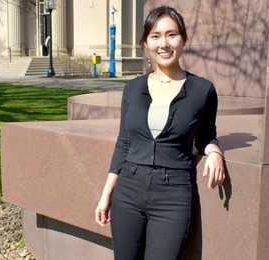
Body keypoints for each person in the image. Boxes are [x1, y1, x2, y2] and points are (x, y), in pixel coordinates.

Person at [95, 5, 225, 260]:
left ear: (183, 39)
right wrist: (106, 195)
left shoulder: (203, 89)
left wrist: (215, 152)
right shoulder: (132, 89)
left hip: (173, 194)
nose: (164, 44)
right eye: (155, 36)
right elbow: (124, 143)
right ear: (146, 43)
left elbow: (206, 134)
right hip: (128, 191)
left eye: (171, 34)